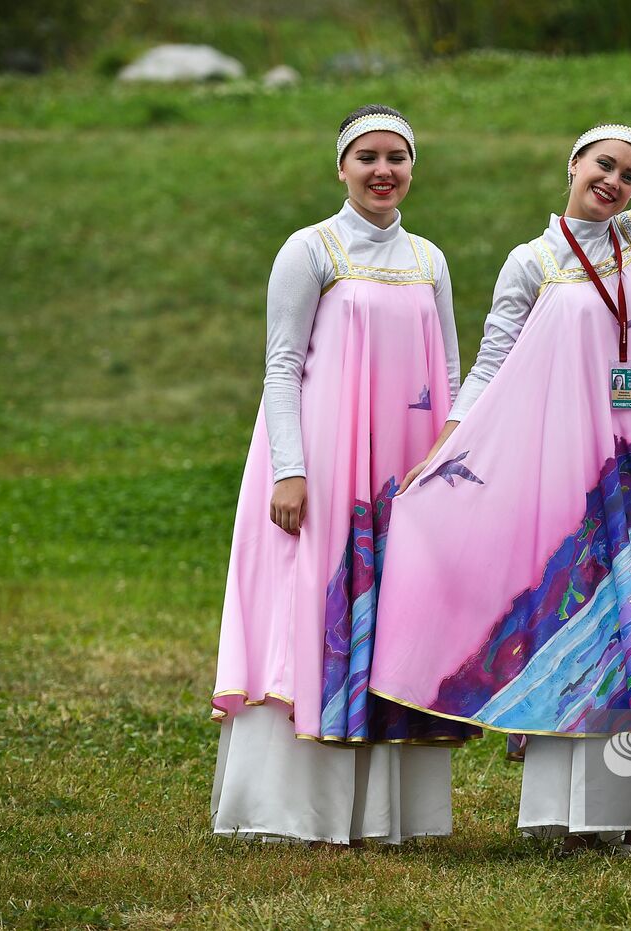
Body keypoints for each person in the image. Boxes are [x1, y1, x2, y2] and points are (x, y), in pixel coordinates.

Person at [370, 123, 631, 855]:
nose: (614, 182)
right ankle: (576, 812)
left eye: (630, 175)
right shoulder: (532, 262)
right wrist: (446, 449)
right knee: (584, 623)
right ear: (573, 162)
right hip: (563, 470)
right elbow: (493, 361)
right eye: (605, 165)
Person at [210, 105, 476, 846]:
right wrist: (289, 471)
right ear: (341, 167)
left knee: (395, 614)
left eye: (397, 156)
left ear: (413, 168)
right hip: (322, 466)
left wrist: (448, 466)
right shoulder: (311, 248)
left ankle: (388, 815)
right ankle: (292, 810)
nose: (384, 170)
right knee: (312, 607)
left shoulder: (429, 258)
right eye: (368, 157)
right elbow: (282, 365)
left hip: (405, 469)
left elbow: (449, 369)